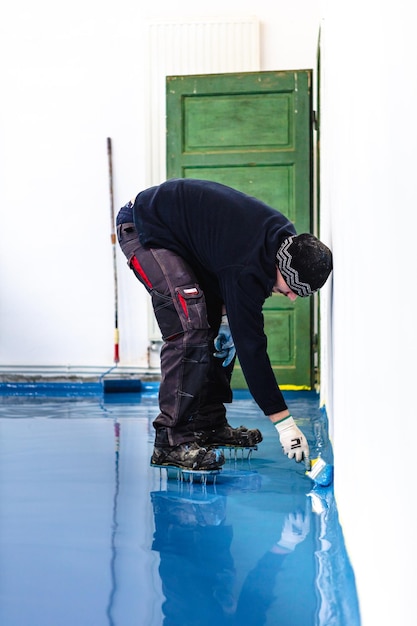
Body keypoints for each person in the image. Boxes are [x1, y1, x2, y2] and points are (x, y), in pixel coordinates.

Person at [116, 178, 333, 472]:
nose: (293, 298)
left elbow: (221, 266)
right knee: (190, 325)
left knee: (218, 333)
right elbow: (253, 349)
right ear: (283, 267)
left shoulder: (287, 245)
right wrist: (285, 424)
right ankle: (170, 440)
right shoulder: (249, 265)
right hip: (145, 227)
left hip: (188, 238)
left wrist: (227, 321)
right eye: (294, 287)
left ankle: (208, 425)